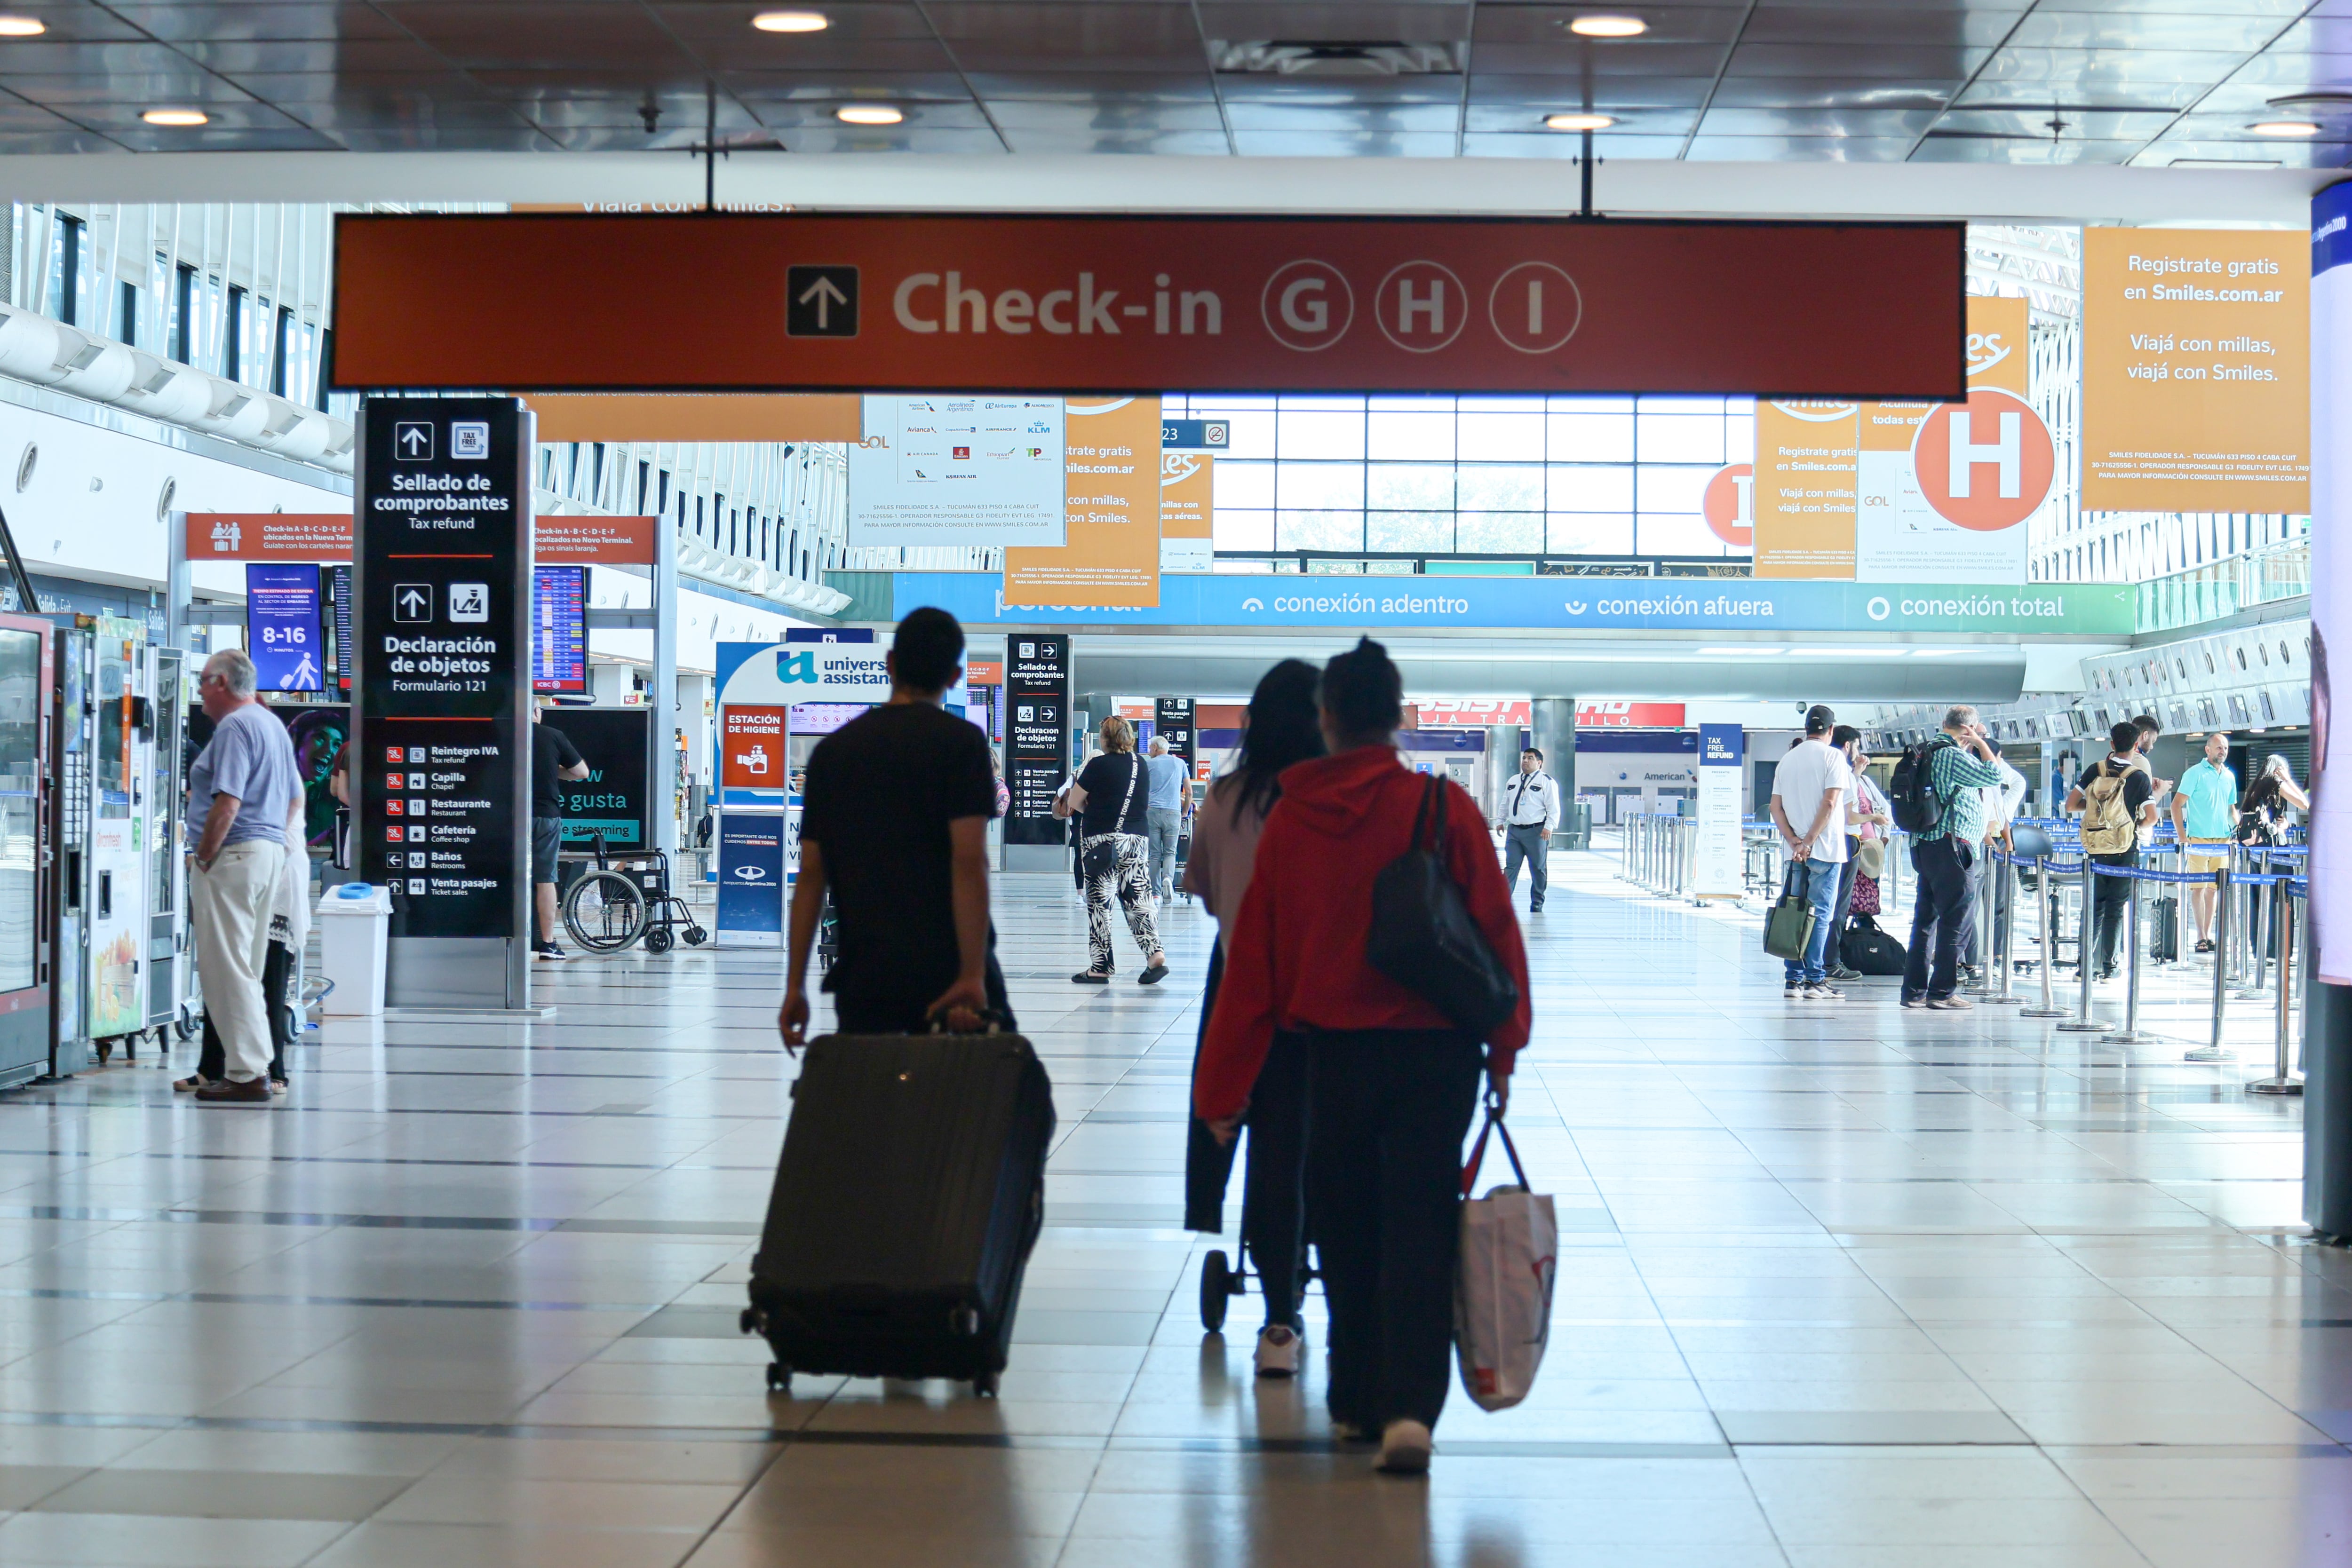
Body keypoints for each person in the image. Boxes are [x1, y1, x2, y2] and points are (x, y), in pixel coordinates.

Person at [1196, 638, 1531, 1476]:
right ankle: (1411, 1411)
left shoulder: (1290, 822)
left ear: (1330, 717)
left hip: (1329, 1057)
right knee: (1420, 1221)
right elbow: (1494, 927)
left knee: (1343, 1226)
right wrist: (1505, 1043)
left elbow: (1254, 970)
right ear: (1396, 714)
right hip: (1436, 1057)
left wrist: (1223, 1086)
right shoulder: (1441, 807)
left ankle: (1354, 1400)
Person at [1181, 659, 1324, 1378]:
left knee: (1253, 1141)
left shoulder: (1226, 797)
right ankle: (1304, 1288)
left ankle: (1277, 1318)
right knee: (1305, 1152)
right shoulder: (1332, 799)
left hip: (1241, 987)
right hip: (1325, 1001)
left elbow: (1203, 892)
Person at [779, 607, 1009, 1044]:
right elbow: (969, 861)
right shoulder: (962, 746)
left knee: (873, 1099)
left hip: (866, 968)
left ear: (890, 664)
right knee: (966, 1099)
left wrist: (795, 987)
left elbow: (811, 877)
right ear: (956, 677)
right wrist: (973, 973)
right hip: (947, 963)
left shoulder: (833, 753)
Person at [183, 649, 302, 1103]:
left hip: (232, 857)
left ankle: (249, 1072)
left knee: (226, 966)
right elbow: (294, 799)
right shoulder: (271, 724)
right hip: (267, 853)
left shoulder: (235, 727)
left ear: (221, 683)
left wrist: (206, 854)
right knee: (247, 966)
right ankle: (247, 1065)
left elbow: (227, 801)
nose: (198, 692)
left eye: (202, 681)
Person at [1899, 705, 2010, 1010]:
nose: (1979, 737)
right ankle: (1943, 991)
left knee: (1926, 921)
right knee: (1956, 921)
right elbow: (1993, 775)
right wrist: (1981, 744)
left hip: (1926, 845)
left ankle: (1914, 991)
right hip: (1952, 848)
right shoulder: (1952, 755)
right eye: (1978, 731)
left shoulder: (1925, 750)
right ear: (1967, 730)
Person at [1057, 716, 1168, 986]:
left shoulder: (1098, 764)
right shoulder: (1140, 763)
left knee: (1099, 904)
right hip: (1137, 840)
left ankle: (1101, 966)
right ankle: (1155, 955)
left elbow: (1073, 802)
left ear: (1105, 739)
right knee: (1138, 900)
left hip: (1101, 841)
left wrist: (1094, 809)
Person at [1768, 704, 1852, 1000]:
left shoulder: (1787, 760)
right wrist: (1810, 842)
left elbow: (1775, 808)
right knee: (1819, 915)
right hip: (1825, 850)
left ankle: (1793, 980)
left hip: (1794, 853)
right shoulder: (1834, 757)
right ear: (1831, 731)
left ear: (1807, 730)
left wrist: (1794, 841)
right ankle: (1816, 981)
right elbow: (1830, 804)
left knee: (1794, 911)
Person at [2067, 720, 2161, 983]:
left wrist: (2096, 808)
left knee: (2093, 907)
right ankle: (2109, 968)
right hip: (2124, 848)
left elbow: (2071, 805)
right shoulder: (2138, 777)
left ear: (2111, 745)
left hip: (2096, 848)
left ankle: (2084, 966)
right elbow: (2152, 817)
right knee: (2115, 908)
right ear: (2135, 745)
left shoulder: (2093, 770)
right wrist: (2134, 825)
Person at [530, 698, 590, 961]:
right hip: (545, 815)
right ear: (536, 711)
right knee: (546, 877)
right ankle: (547, 943)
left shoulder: (503, 733)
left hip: (508, 816)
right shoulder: (552, 736)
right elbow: (582, 772)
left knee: (507, 873)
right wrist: (554, 771)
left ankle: (506, 935)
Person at [1828, 725, 1890, 974]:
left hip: (1829, 845)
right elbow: (1849, 816)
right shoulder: (1843, 770)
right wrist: (1873, 819)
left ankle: (1820, 961)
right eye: (1857, 745)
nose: (1859, 751)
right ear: (1848, 745)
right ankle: (1831, 961)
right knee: (1838, 906)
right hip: (1848, 843)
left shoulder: (1825, 766)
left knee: (1829, 904)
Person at [2173, 732, 2239, 954]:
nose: (2223, 751)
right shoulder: (2195, 774)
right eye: (2219, 748)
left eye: (2226, 748)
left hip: (2223, 840)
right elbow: (2176, 805)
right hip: (2198, 839)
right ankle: (2200, 935)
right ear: (2208, 750)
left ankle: (2208, 934)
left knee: (2214, 889)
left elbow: (2231, 810)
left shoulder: (2229, 777)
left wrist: (2238, 830)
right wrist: (2183, 838)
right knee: (2198, 888)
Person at [1499, 745, 1562, 912]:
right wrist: (1500, 820)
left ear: (1539, 763)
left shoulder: (1546, 782)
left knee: (1538, 868)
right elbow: (1505, 802)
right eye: (1524, 758)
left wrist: (1549, 827)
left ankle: (1537, 901)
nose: (1526, 761)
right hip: (1514, 831)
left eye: (1530, 759)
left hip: (1537, 832)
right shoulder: (1513, 780)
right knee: (1511, 867)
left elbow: (1554, 807)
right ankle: (1503, 900)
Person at [1143, 734, 1189, 902]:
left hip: (1152, 812)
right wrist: (1184, 811)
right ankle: (1168, 879)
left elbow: (1140, 790)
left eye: (1150, 748)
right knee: (1171, 852)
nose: (1149, 752)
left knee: (1154, 854)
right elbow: (1189, 792)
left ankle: (1155, 894)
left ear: (1155, 748)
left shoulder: (1148, 764)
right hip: (1173, 813)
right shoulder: (1180, 763)